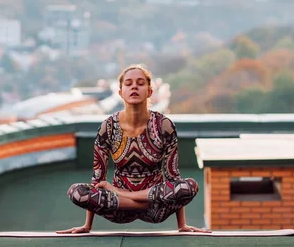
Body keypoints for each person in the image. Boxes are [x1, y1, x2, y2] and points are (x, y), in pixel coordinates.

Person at [58, 64, 210, 234]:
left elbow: (173, 177)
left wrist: (182, 226)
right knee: (76, 191)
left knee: (189, 186)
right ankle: (134, 199)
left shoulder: (164, 126)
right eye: (129, 84)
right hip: (119, 208)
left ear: (150, 91)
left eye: (140, 83)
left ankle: (133, 197)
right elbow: (97, 180)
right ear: (120, 92)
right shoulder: (108, 127)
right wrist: (87, 226)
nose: (134, 87)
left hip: (155, 208)